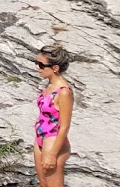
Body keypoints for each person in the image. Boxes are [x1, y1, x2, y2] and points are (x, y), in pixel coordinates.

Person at [33, 45, 74, 187]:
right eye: (36, 63)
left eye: (41, 65)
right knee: (43, 184)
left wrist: (52, 154)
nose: (37, 67)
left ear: (55, 68)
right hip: (40, 137)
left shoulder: (64, 92)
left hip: (53, 141)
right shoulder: (49, 85)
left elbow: (64, 126)